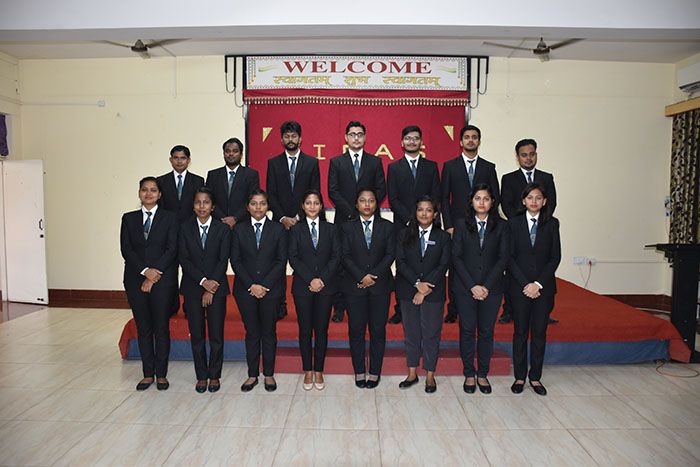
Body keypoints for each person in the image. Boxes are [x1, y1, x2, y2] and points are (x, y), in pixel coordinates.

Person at [120, 176, 179, 391]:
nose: (148, 193)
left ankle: (161, 374)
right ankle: (147, 374)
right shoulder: (129, 218)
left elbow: (172, 249)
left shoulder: (170, 218)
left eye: (153, 190)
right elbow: (126, 249)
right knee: (143, 327)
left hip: (162, 281)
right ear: (139, 193)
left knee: (161, 328)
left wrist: (153, 274)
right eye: (144, 190)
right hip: (135, 279)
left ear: (159, 194)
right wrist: (145, 272)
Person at [452, 184, 510, 394]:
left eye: (486, 198)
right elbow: (456, 257)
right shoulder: (461, 224)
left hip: (491, 289)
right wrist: (472, 286)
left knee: (486, 331)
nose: (482, 202)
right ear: (471, 201)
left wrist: (485, 286)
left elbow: (503, 258)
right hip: (465, 288)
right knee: (467, 330)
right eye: (478, 198)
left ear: (492, 202)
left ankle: (483, 373)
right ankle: (469, 373)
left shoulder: (502, 226)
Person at [328, 121, 386, 322]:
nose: (356, 138)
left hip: (370, 219)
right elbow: (333, 191)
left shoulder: (375, 162)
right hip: (344, 220)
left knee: (367, 258)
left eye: (360, 134)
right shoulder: (336, 162)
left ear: (365, 137)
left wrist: (365, 210)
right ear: (346, 138)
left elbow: (380, 190)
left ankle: (368, 298)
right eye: (352, 134)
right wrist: (353, 212)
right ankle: (339, 306)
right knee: (341, 263)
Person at [441, 124, 499, 323]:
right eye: (467, 137)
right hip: (458, 227)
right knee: (456, 266)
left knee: (480, 263)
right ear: (460, 141)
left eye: (474, 137)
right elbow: (444, 198)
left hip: (483, 225)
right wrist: (449, 225)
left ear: (479, 141)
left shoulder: (488, 167)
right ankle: (453, 308)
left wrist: (491, 224)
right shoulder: (450, 166)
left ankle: (481, 297)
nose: (471, 140)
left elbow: (495, 197)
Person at [230, 189, 287, 392]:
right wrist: (251, 285)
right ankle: (252, 374)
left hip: (271, 290)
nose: (258, 207)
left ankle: (269, 374)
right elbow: (235, 260)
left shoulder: (278, 229)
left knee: (269, 332)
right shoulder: (239, 229)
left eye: (262, 203)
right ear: (247, 207)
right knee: (252, 332)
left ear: (268, 206)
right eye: (254, 203)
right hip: (246, 290)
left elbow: (281, 261)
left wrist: (265, 285)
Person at [508, 183, 561, 396]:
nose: (534, 201)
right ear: (523, 200)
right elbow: (509, 257)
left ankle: (535, 377)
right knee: (520, 332)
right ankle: (520, 376)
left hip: (543, 289)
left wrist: (537, 284)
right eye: (530, 197)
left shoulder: (552, 223)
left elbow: (555, 257)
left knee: (539, 333)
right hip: (519, 288)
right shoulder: (513, 223)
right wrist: (525, 284)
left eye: (538, 198)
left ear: (544, 201)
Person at [499, 138, 558, 325]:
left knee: (543, 265)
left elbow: (552, 203)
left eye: (532, 154)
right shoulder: (509, 178)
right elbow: (506, 204)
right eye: (524, 155)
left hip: (542, 228)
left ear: (536, 155)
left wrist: (539, 221)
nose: (528, 158)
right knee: (513, 271)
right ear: (518, 157)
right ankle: (509, 310)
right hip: (517, 231)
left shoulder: (546, 177)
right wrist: (522, 223)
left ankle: (543, 312)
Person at [266, 121, 321, 321]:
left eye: (294, 136)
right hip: (279, 223)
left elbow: (314, 193)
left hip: (303, 221)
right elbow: (271, 193)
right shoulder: (273, 163)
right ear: (282, 139)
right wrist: (282, 217)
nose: (291, 139)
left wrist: (298, 216)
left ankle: (308, 299)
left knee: (304, 261)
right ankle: (279, 303)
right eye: (287, 136)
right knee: (278, 264)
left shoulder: (311, 163)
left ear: (300, 138)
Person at [395, 196, 450, 393]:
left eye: (428, 210)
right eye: (420, 209)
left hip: (433, 292)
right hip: (408, 290)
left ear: (435, 214)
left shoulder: (443, 236)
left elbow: (443, 264)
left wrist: (425, 288)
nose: (424, 213)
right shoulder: (404, 234)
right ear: (415, 212)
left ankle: (430, 375)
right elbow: (401, 262)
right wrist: (417, 284)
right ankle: (412, 373)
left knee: (431, 334)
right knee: (411, 333)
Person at [341, 188, 395, 389]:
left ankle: (374, 371)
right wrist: (361, 276)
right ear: (356, 204)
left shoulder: (387, 227)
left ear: (376, 204)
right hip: (354, 286)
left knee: (377, 330)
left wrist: (373, 276)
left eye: (371, 200)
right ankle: (359, 370)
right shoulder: (347, 227)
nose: (367, 204)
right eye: (363, 201)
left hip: (380, 287)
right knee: (356, 330)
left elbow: (390, 254)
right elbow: (344, 255)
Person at [387, 125, 441, 325]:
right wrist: (412, 219)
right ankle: (401, 309)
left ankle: (426, 298)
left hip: (428, 224)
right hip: (404, 225)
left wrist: (425, 217)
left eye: (416, 138)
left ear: (421, 142)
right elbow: (393, 198)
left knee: (426, 262)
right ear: (402, 142)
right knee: (404, 266)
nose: (412, 141)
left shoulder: (431, 167)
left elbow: (436, 196)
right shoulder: (394, 168)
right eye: (408, 138)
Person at [178, 187, 230, 393]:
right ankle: (201, 375)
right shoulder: (184, 228)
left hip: (217, 288)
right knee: (197, 334)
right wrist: (202, 282)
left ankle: (214, 375)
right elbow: (184, 259)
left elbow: (223, 259)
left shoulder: (222, 229)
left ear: (213, 206)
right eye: (198, 202)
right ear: (193, 206)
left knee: (216, 335)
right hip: (193, 287)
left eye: (206, 202)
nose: (202, 206)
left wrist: (211, 286)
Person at [288, 190, 341, 391]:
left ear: (321, 206)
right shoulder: (296, 229)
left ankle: (319, 369)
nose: (312, 206)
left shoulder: (331, 229)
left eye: (316, 203)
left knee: (321, 330)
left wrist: (321, 279)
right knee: (304, 330)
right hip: (303, 286)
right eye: (308, 203)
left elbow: (336, 257)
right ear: (303, 206)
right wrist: (311, 279)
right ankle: (307, 370)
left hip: (326, 287)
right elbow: (293, 257)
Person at [157, 144, 205, 317]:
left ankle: (190, 306)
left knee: (190, 270)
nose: (179, 161)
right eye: (176, 158)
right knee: (169, 272)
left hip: (189, 233)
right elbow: (160, 210)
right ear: (170, 160)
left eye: (183, 158)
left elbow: (200, 207)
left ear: (188, 160)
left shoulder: (198, 181)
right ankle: (171, 305)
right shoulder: (161, 181)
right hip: (168, 235)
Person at [205, 137, 260, 230]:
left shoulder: (251, 175)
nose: (231, 154)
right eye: (227, 151)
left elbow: (252, 200)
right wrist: (223, 219)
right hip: (218, 224)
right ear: (223, 153)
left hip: (242, 225)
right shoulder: (213, 175)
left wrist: (235, 218)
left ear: (241, 154)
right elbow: (209, 199)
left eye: (235, 151)